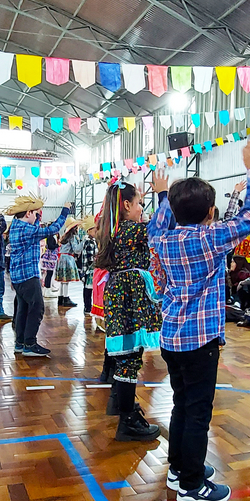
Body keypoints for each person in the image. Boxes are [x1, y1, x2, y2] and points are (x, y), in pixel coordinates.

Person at [148, 139, 250, 501]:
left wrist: (162, 193)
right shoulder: (210, 238)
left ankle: (179, 468)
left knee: (182, 404)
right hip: (200, 341)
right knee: (198, 411)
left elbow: (160, 220)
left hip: (171, 337)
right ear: (211, 211)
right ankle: (192, 485)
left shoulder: (161, 238)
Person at [94, 180, 162, 442]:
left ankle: (119, 403)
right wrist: (163, 194)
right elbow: (161, 226)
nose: (142, 209)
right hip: (129, 295)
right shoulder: (130, 229)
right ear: (125, 205)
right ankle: (127, 422)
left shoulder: (112, 229)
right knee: (130, 358)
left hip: (120, 292)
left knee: (126, 354)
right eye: (139, 204)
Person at [7, 195, 72, 357]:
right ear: (28, 213)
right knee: (37, 308)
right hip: (28, 276)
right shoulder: (26, 230)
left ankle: (20, 343)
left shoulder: (16, 226)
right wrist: (65, 211)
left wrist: (37, 216)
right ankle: (30, 343)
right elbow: (52, 230)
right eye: (35, 213)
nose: (37, 216)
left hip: (18, 276)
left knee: (23, 309)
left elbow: (35, 229)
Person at [56, 219, 85, 309]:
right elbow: (76, 250)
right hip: (68, 258)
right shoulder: (73, 237)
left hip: (61, 258)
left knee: (62, 280)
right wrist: (83, 242)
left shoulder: (65, 236)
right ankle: (66, 298)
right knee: (66, 280)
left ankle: (60, 298)